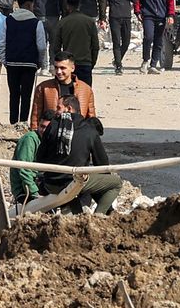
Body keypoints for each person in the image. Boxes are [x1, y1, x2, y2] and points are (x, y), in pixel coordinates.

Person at [31, 55, 119, 214]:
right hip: (59, 156)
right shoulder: (44, 89)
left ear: (72, 68)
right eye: (56, 67)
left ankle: (87, 215)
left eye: (63, 68)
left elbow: (91, 115)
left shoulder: (85, 90)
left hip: (74, 154)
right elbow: (36, 117)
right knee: (102, 182)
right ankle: (100, 215)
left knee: (84, 187)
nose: (58, 71)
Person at [3, 0, 46, 126]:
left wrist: (4, 60)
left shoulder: (8, 20)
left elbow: (1, 42)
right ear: (29, 5)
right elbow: (41, 46)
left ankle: (13, 121)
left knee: (14, 94)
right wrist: (40, 62)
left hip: (12, 63)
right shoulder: (36, 23)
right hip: (29, 64)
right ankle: (23, 122)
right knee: (26, 95)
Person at [137, 0, 176, 74]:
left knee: (158, 40)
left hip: (161, 16)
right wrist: (138, 11)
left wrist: (170, 15)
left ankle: (153, 65)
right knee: (148, 37)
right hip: (148, 15)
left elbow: (170, 1)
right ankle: (145, 61)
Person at [54, 0, 99, 86]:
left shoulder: (62, 22)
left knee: (67, 96)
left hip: (68, 64)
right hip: (85, 63)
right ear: (79, 5)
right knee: (84, 95)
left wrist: (59, 65)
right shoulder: (89, 22)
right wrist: (92, 62)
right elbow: (95, 46)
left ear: (67, 6)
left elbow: (56, 47)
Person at [105, 0, 135, 74]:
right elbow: (104, 1)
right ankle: (118, 65)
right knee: (116, 41)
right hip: (115, 16)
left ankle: (117, 60)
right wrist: (103, 17)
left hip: (126, 16)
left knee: (126, 42)